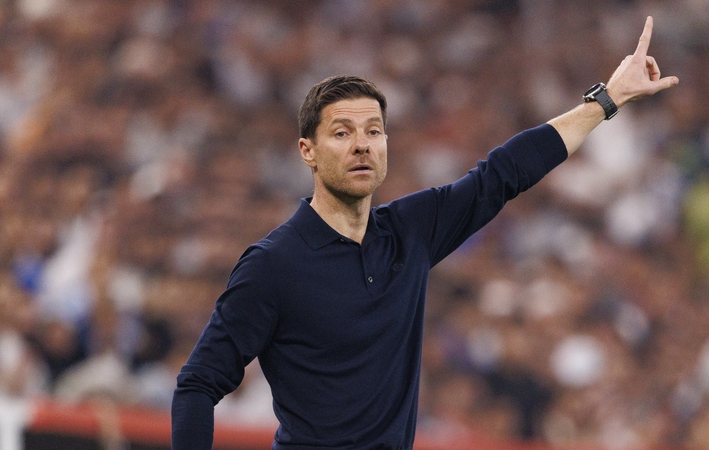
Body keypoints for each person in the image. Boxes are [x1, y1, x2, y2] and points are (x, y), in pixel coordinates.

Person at [171, 16, 678, 450]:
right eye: (342, 133)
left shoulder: (409, 231)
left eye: (373, 131)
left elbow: (502, 175)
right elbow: (198, 384)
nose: (362, 146)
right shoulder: (273, 264)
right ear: (308, 150)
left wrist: (606, 99)